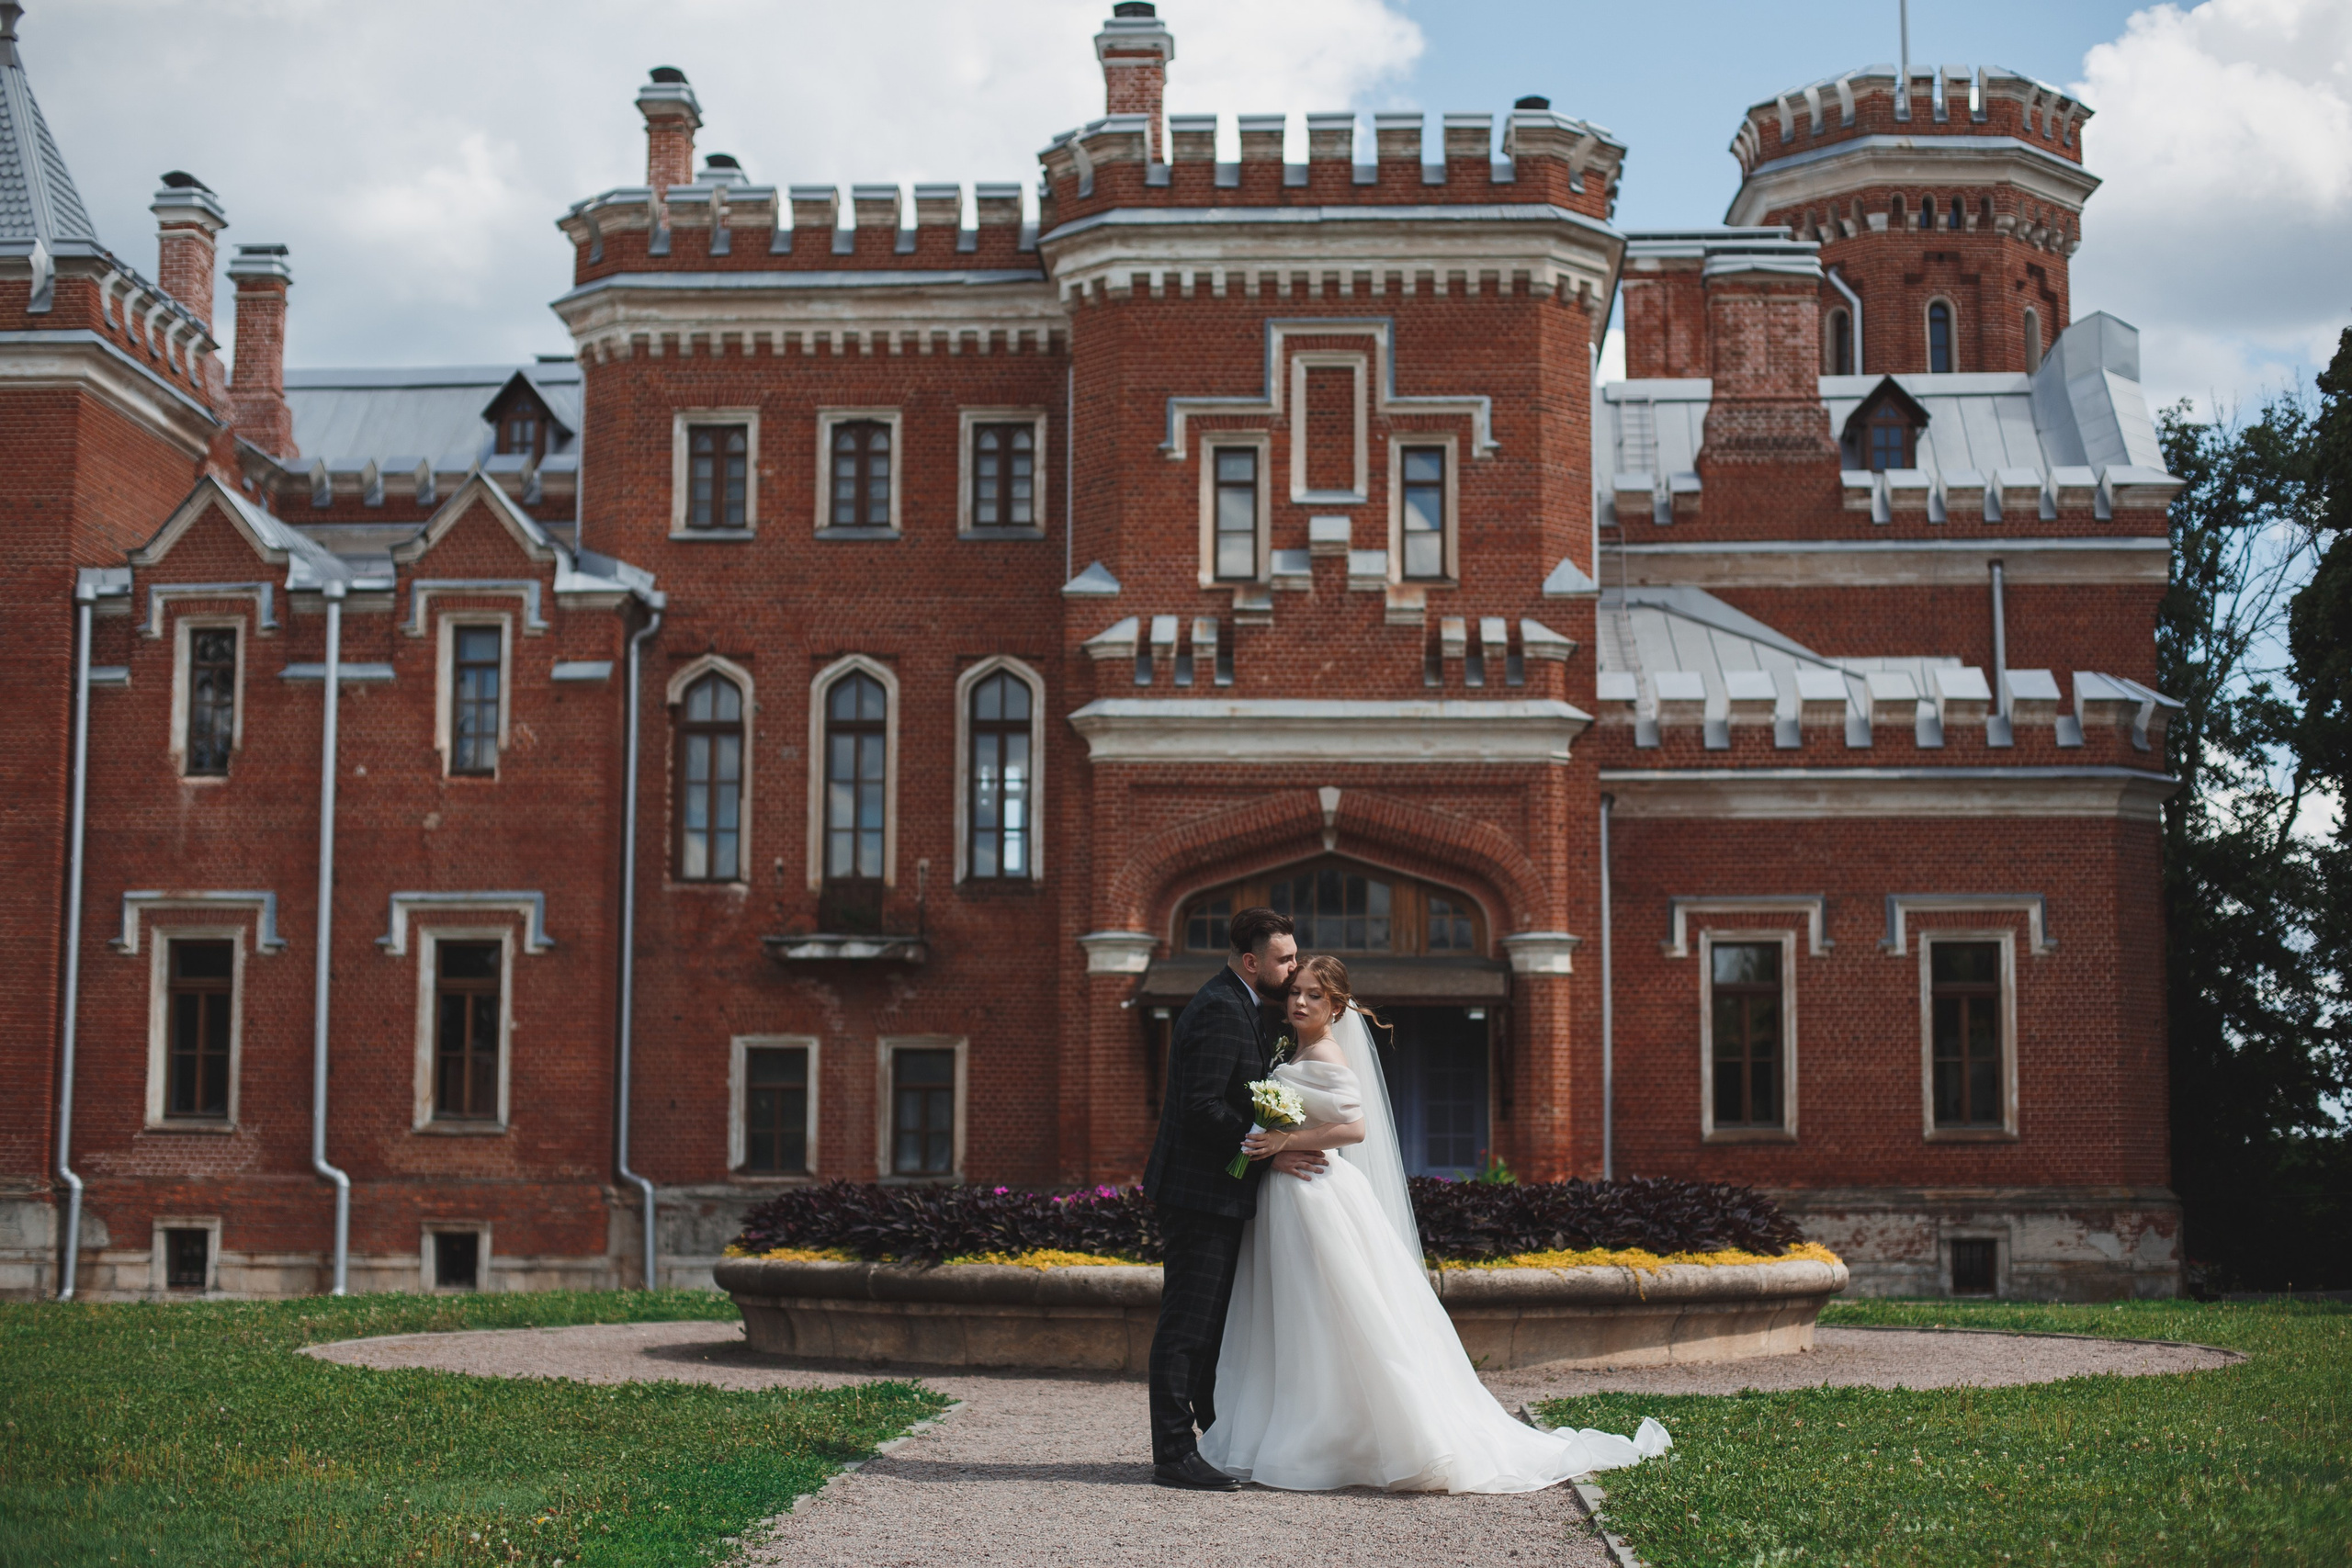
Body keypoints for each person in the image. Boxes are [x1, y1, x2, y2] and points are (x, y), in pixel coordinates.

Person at [1196, 954, 1672, 1493]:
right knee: (1295, 1311)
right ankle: (1298, 1426)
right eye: (1296, 993)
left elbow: (1353, 1129)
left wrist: (1284, 1140)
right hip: (1287, 1194)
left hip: (1315, 1194)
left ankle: (1350, 1435)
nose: (1300, 1002)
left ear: (1337, 1005)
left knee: (1333, 1307)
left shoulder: (1327, 1052)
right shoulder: (1295, 1049)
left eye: (1314, 995)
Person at [1139, 906, 1317, 1492]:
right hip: (1198, 1194)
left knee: (1210, 1328)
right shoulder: (1220, 1008)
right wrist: (1268, 1147)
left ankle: (1212, 1439)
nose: (1293, 969)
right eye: (1284, 958)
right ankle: (1173, 1453)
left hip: (1218, 1191)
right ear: (1251, 962)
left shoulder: (1245, 1003)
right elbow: (1202, 1108)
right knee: (1188, 1326)